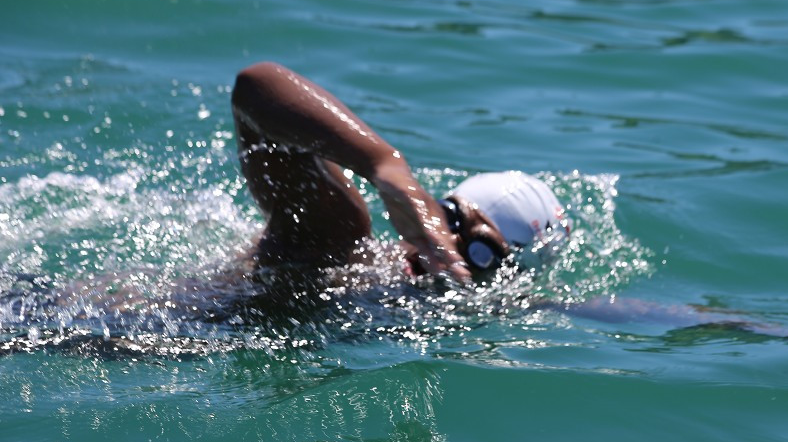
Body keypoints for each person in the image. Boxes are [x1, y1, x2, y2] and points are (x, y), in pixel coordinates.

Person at [230, 62, 570, 284]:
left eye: (481, 253)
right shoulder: (337, 242)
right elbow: (255, 86)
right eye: (448, 218)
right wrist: (385, 165)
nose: (447, 243)